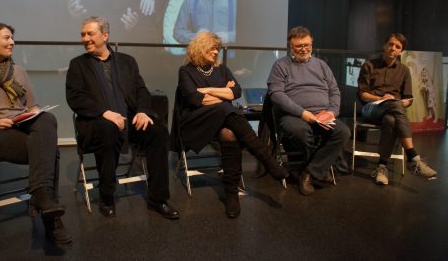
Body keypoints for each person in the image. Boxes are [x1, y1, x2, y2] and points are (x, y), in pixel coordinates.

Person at [0, 22, 71, 244]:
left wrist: (33, 113)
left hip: (20, 126)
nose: (12, 42)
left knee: (47, 119)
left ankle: (43, 198)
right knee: (48, 152)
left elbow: (32, 106)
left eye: (12, 38)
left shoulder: (18, 71)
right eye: (7, 38)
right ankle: (51, 219)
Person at [65, 16, 179, 220]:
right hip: (96, 122)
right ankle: (107, 195)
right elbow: (75, 98)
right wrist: (104, 113)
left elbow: (142, 90)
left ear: (105, 35)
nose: (85, 38)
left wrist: (143, 111)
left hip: (129, 119)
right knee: (109, 130)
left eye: (90, 33)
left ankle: (158, 199)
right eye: (83, 34)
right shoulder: (78, 65)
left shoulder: (127, 61)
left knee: (158, 132)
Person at [177, 31, 288, 218]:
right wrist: (223, 92)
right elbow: (196, 99)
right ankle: (267, 159)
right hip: (196, 121)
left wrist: (210, 90)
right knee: (226, 109)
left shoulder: (221, 69)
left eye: (217, 49)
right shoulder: (186, 71)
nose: (215, 52)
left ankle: (231, 193)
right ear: (200, 47)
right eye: (212, 48)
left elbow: (235, 92)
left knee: (229, 132)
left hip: (221, 119)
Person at [267, 26, 351, 196]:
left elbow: (334, 91)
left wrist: (332, 112)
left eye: (307, 45)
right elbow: (276, 94)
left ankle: (309, 173)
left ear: (312, 43)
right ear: (291, 46)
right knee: (300, 131)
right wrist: (303, 113)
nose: (304, 49)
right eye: (299, 46)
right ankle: (320, 169)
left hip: (323, 114)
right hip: (294, 115)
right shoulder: (280, 65)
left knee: (343, 132)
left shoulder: (321, 65)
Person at [357, 33, 437, 185]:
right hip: (371, 108)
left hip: (392, 110)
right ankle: (413, 157)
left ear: (401, 52)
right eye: (391, 44)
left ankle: (382, 167)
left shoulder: (404, 70)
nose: (393, 48)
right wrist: (382, 99)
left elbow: (408, 99)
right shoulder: (369, 65)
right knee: (394, 104)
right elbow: (363, 94)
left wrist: (398, 103)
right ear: (384, 46)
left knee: (391, 119)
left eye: (397, 47)